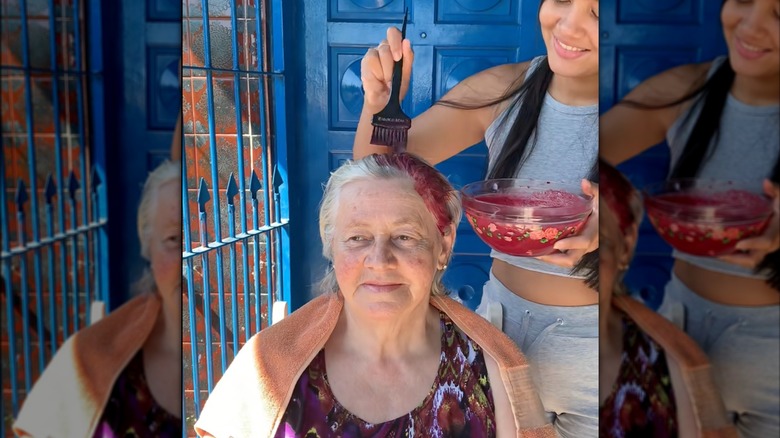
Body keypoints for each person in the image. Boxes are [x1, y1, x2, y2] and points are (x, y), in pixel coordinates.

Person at [354, 1, 600, 435]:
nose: (570, 24)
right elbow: (379, 180)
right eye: (562, 0)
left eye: (598, 14)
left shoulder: (650, 109)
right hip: (497, 332)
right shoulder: (505, 89)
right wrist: (378, 104)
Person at [193, 153, 555, 437]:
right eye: (357, 238)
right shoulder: (269, 365)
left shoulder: (491, 370)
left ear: (443, 248)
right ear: (330, 247)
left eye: (405, 237)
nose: (380, 261)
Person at [600, 0, 780, 436]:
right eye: (743, 0)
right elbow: (582, 160)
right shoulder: (687, 90)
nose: (751, 26)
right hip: (676, 329)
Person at [13, 160, 182, 437]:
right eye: (174, 238)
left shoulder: (250, 355)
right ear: (147, 248)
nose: (191, 257)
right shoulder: (89, 355)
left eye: (204, 236)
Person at [598, 159, 738, 438]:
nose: (577, 258)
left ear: (626, 247)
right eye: (563, 236)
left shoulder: (674, 364)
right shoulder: (500, 366)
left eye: (598, 243)